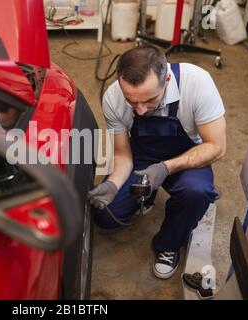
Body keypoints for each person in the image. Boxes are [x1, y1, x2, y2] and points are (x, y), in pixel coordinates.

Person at [88, 45, 226, 279]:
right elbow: (123, 154)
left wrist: (166, 168)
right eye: (131, 101)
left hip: (187, 156)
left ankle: (169, 244)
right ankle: (147, 194)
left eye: (150, 100)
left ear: (167, 79)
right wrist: (113, 183)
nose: (140, 111)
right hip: (142, 157)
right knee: (105, 216)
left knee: (196, 192)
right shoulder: (113, 97)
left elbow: (217, 147)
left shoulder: (197, 83)